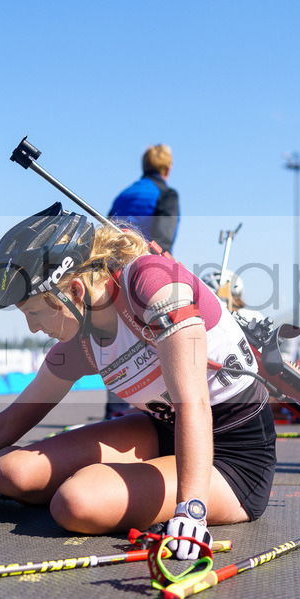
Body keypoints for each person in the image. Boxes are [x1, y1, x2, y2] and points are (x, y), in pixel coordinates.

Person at [0, 203, 275, 560]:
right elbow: (10, 422)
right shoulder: (80, 339)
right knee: (7, 471)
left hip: (233, 456)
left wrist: (191, 511)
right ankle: (140, 484)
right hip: (163, 431)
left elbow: (194, 403)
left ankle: (157, 491)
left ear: (73, 290)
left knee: (76, 502)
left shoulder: (153, 286)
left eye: (36, 311)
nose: (33, 328)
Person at [104, 144, 182, 419]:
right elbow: (163, 240)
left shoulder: (124, 195)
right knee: (155, 342)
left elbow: (105, 232)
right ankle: (158, 413)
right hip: (144, 276)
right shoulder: (167, 195)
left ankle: (114, 413)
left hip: (112, 275)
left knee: (117, 343)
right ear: (168, 168)